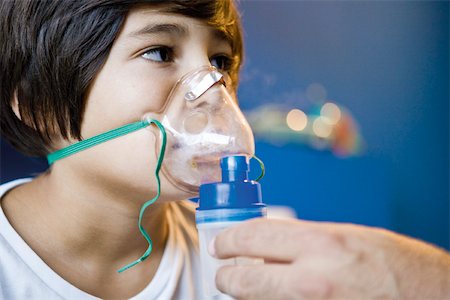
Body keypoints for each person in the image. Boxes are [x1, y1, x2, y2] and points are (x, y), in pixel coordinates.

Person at [0, 1, 449, 300]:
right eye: (159, 52)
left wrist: (412, 277)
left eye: (219, 62)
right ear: (39, 104)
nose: (212, 92)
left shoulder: (263, 260)